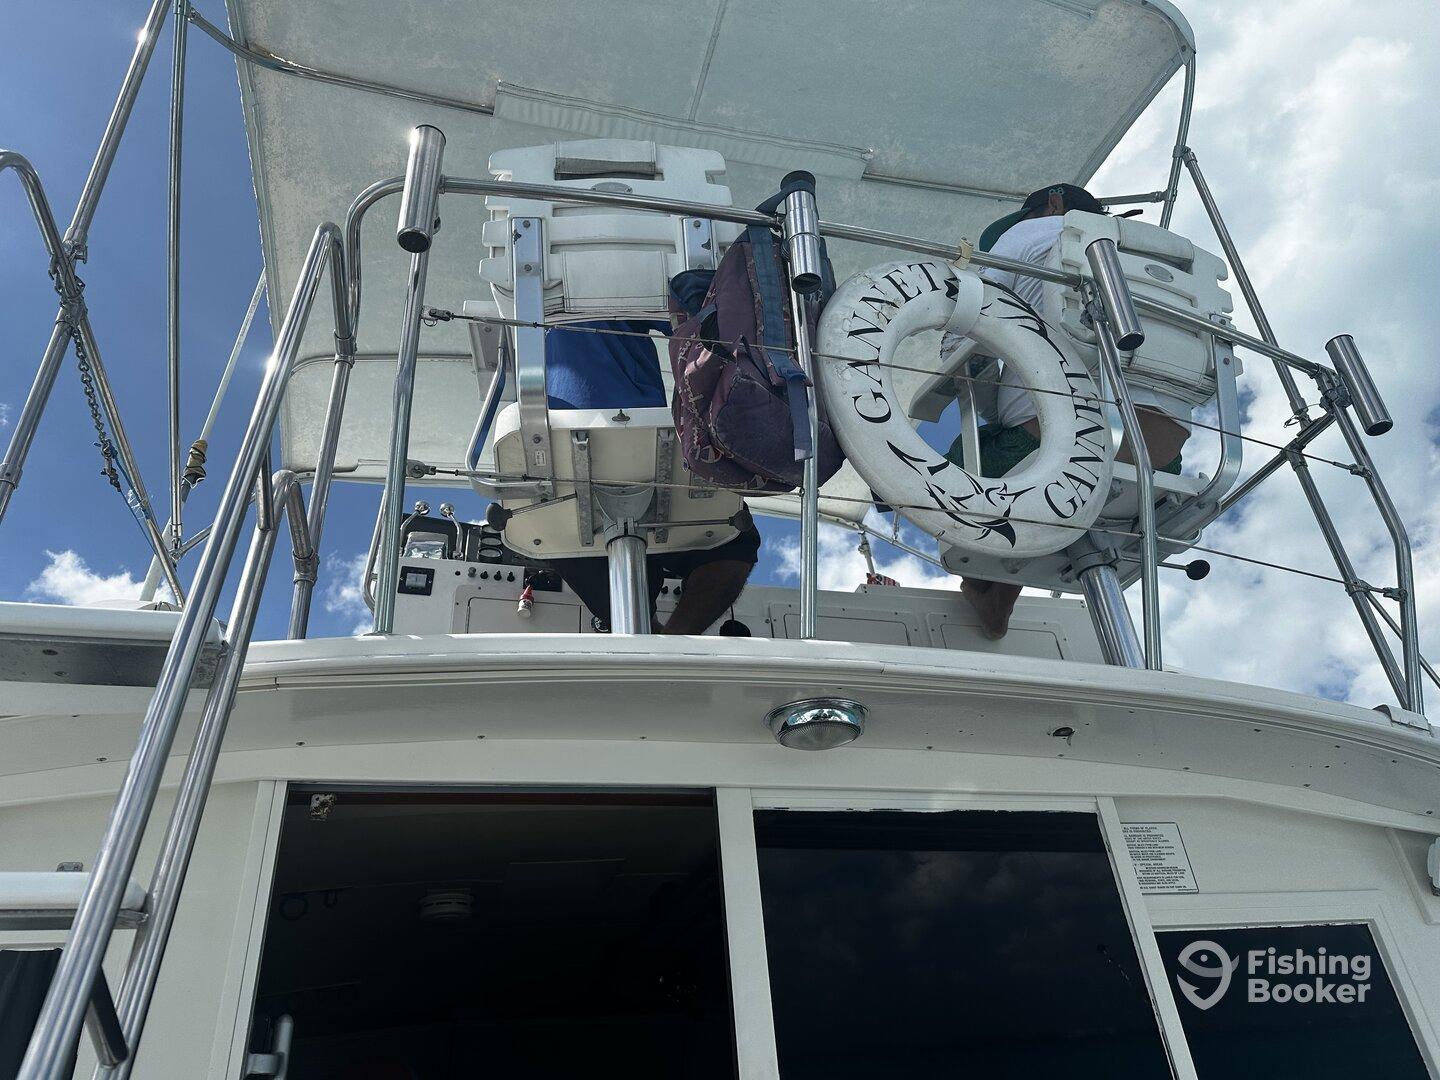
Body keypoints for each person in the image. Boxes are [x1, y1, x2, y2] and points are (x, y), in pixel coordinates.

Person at [943, 184, 1191, 638]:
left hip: (1052, 449)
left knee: (966, 458)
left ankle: (992, 590)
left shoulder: (1033, 233)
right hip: (1161, 460)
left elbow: (962, 336)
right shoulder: (1167, 263)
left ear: (1053, 204)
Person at [538, 320, 759, 634]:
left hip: (561, 471)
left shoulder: (529, 310)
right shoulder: (621, 288)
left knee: (558, 539)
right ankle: (673, 640)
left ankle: (647, 637)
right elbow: (695, 328)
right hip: (648, 445)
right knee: (736, 543)